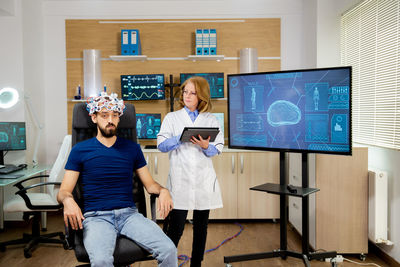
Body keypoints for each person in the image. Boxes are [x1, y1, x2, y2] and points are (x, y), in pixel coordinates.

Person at [57, 92, 178, 267]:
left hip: (129, 215)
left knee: (169, 249)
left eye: (114, 115)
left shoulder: (132, 149)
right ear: (94, 118)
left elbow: (150, 185)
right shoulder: (80, 150)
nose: (110, 120)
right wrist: (67, 200)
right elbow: (63, 191)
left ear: (119, 118)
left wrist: (164, 190)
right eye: (104, 115)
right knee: (101, 261)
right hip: (96, 217)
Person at [157, 76, 224, 267]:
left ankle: (197, 264)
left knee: (201, 228)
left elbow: (217, 148)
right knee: (175, 228)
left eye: (192, 93)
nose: (187, 96)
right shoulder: (172, 118)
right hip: (180, 180)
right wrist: (180, 137)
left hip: (203, 180)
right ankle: (167, 264)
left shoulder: (211, 119)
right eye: (185, 91)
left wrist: (205, 146)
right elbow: (161, 145)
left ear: (201, 96)